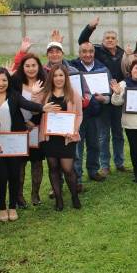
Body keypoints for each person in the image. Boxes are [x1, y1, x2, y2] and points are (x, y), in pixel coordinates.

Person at [0, 68, 58, 222]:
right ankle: (2, 208)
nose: (1, 83)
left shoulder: (13, 95)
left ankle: (12, 207)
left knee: (14, 176)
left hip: (13, 143)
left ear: (8, 81)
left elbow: (27, 104)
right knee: (0, 178)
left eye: (4, 80)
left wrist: (42, 108)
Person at [79, 16, 127, 176]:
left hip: (118, 98)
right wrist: (90, 27)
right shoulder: (97, 51)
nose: (110, 40)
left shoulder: (123, 53)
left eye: (113, 38)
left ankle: (120, 162)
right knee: (103, 134)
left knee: (118, 133)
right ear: (102, 40)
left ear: (117, 40)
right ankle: (105, 165)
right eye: (107, 38)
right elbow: (83, 41)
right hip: (102, 99)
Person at [33, 65, 82, 211]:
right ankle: (59, 199)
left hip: (67, 137)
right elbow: (36, 110)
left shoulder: (73, 94)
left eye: (61, 75)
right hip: (49, 138)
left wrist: (73, 130)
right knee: (53, 167)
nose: (58, 78)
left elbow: (79, 115)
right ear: (51, 78)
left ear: (65, 77)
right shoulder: (45, 93)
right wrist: (35, 95)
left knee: (68, 169)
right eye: (55, 76)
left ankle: (74, 196)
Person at [12, 53, 48, 207]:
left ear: (39, 66)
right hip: (19, 128)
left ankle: (35, 194)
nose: (31, 68)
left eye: (34, 65)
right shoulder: (15, 82)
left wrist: (33, 121)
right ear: (22, 67)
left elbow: (46, 105)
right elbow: (12, 104)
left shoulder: (45, 83)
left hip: (37, 128)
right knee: (20, 164)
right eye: (27, 65)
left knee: (36, 162)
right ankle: (19, 196)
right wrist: (23, 122)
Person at [70, 42, 108, 185]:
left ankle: (93, 171)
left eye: (91, 51)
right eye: (84, 51)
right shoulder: (72, 67)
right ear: (79, 53)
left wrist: (105, 98)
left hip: (94, 113)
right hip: (77, 115)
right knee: (77, 148)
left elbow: (109, 88)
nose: (88, 54)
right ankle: (77, 177)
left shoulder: (101, 68)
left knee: (94, 145)